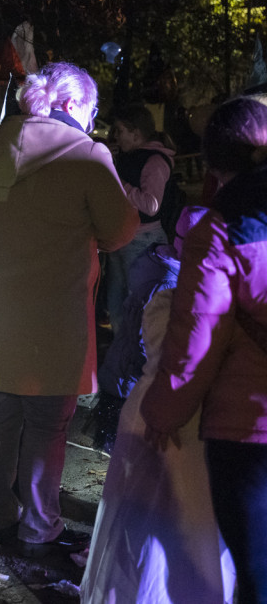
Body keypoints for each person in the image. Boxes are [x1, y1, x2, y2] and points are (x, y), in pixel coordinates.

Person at [0, 61, 138, 555]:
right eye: (93, 110)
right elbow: (121, 231)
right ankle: (40, 529)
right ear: (75, 105)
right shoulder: (87, 154)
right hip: (54, 313)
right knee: (47, 423)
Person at [141, 96, 267, 603]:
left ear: (212, 161)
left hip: (248, 430)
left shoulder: (219, 227)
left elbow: (197, 339)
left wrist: (161, 412)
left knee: (257, 574)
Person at [81, 205, 236, 604]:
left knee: (154, 525)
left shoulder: (171, 296)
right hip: (177, 422)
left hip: (163, 417)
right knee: (171, 527)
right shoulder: (179, 300)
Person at [105, 103, 176, 332]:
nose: (116, 136)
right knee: (118, 299)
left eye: (120, 131)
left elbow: (151, 205)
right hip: (123, 237)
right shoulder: (132, 156)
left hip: (143, 240)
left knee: (139, 303)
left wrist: (119, 181)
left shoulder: (154, 161)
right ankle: (122, 352)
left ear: (136, 134)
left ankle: (137, 357)